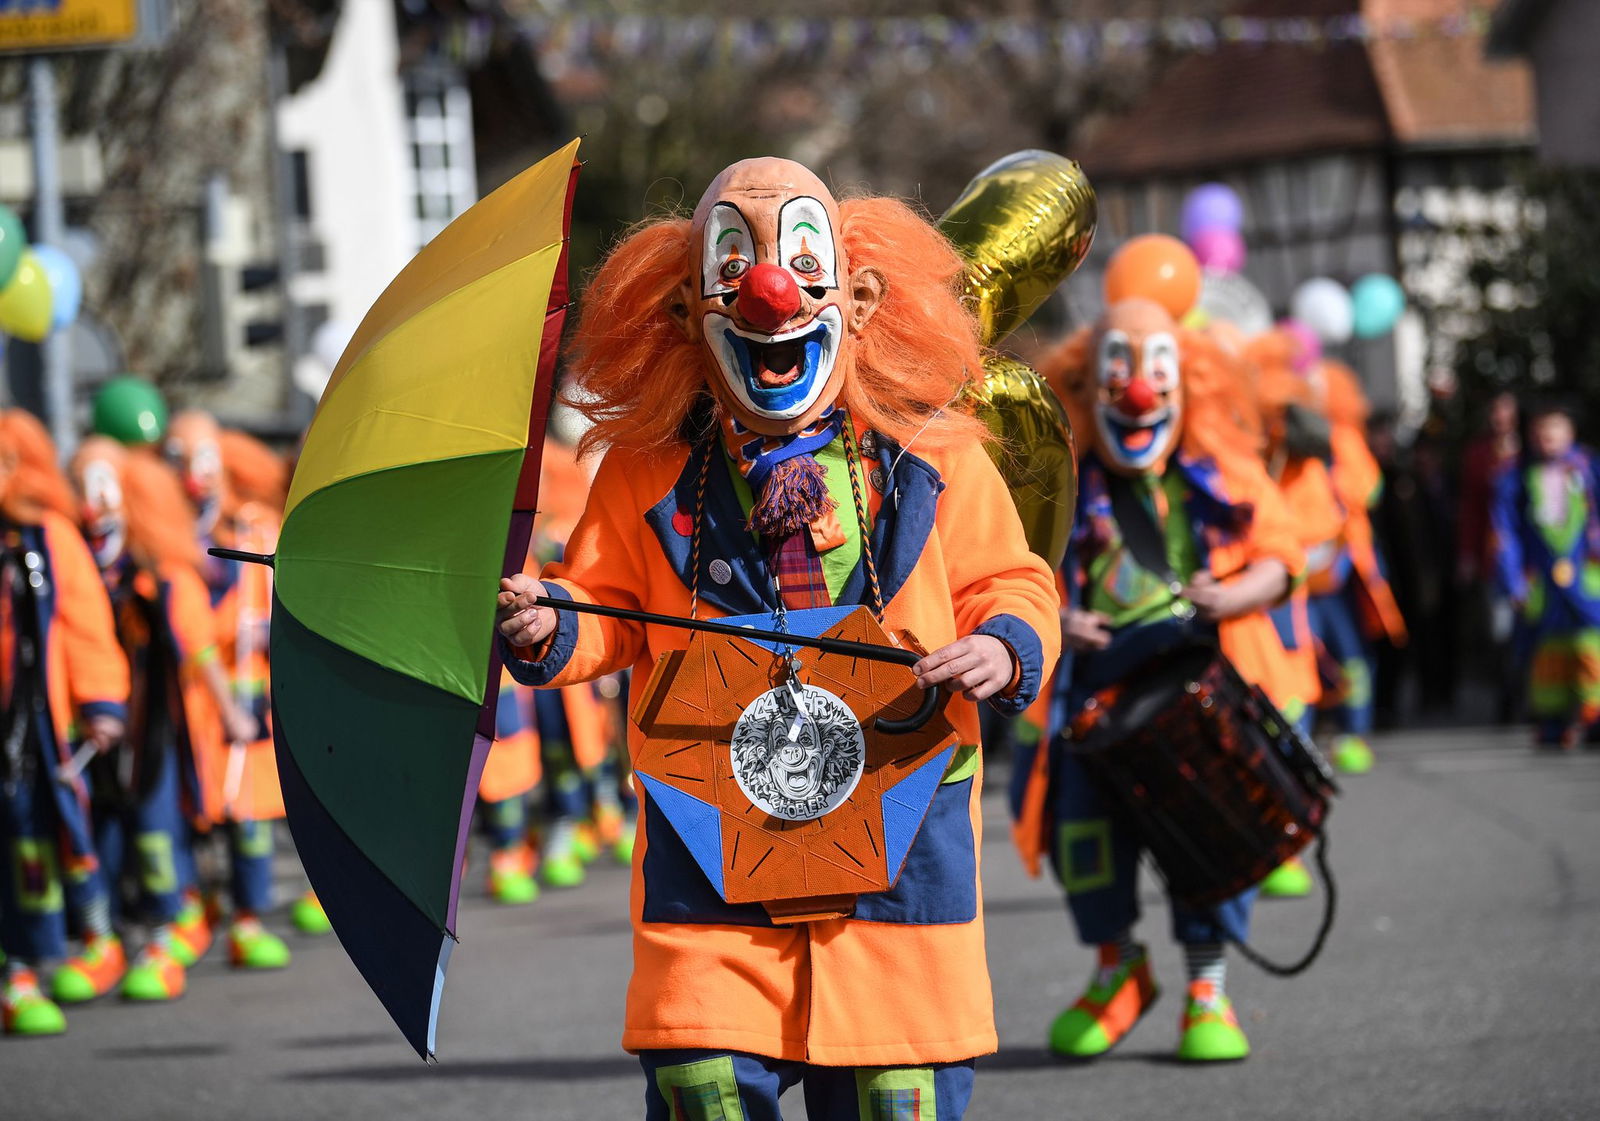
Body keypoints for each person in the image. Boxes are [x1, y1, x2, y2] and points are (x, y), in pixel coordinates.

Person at [496, 157, 1058, 1118]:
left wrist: (1004, 644)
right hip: (712, 837)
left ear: (862, 297)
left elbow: (1011, 579)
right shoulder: (645, 472)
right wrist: (552, 623)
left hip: (896, 828)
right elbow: (599, 605)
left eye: (803, 260)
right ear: (685, 310)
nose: (769, 290)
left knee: (896, 1089)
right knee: (702, 1083)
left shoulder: (937, 450)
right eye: (734, 266)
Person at [1013, 285, 1304, 1063]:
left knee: (1206, 833)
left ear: (1190, 384)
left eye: (1156, 372)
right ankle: (1119, 972)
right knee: (1083, 837)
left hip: (1193, 692)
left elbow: (1283, 557)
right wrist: (1058, 619)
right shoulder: (1060, 482)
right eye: (1117, 373)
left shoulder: (1221, 473)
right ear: (1083, 388)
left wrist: (1235, 591)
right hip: (1094, 699)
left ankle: (1207, 987)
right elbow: (1009, 570)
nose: (1137, 392)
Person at [68, 439, 256, 1000]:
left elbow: (196, 647)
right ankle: (102, 940)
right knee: (97, 834)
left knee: (156, 830)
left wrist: (229, 713)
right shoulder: (73, 563)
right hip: (99, 727)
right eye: (82, 487)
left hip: (160, 728)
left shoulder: (164, 572)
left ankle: (171, 927)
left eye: (103, 488)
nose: (93, 504)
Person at [0, 412, 130, 1035]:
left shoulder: (52, 538)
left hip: (46, 725)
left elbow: (85, 626)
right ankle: (22, 964)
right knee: (19, 848)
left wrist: (102, 704)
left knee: (69, 836)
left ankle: (97, 941)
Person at [164, 413, 295, 966]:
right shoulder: (168, 538)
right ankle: (195, 909)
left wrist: (271, 623)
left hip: (249, 698)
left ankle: (247, 919)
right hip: (186, 704)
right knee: (190, 813)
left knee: (250, 812)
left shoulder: (256, 529)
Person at [1490, 398, 1600, 749]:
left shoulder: (1589, 469)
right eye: (1540, 428)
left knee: (1590, 648)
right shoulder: (1516, 477)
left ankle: (1594, 716)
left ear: (1571, 431)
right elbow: (1503, 532)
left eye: (1554, 427)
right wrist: (1513, 580)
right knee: (1548, 655)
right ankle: (1552, 721)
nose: (1546, 436)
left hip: (1587, 576)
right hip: (1542, 581)